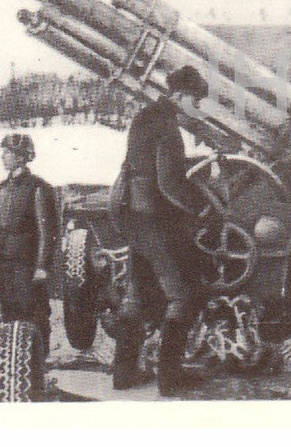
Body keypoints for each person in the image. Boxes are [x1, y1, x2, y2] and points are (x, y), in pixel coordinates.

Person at [113, 65, 214, 395]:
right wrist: (202, 208)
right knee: (183, 294)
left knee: (137, 294)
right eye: (196, 102)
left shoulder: (145, 116)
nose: (197, 109)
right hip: (155, 219)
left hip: (131, 215)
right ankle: (170, 379)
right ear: (181, 96)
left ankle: (124, 373)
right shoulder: (168, 127)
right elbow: (169, 184)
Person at [0, 132, 55, 386]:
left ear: (21, 157)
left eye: (8, 152)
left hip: (27, 263)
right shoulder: (1, 188)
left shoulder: (39, 188)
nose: (3, 156)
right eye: (3, 152)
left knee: (33, 313)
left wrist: (42, 267)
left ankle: (38, 369)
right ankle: (13, 365)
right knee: (9, 310)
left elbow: (47, 232)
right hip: (5, 259)